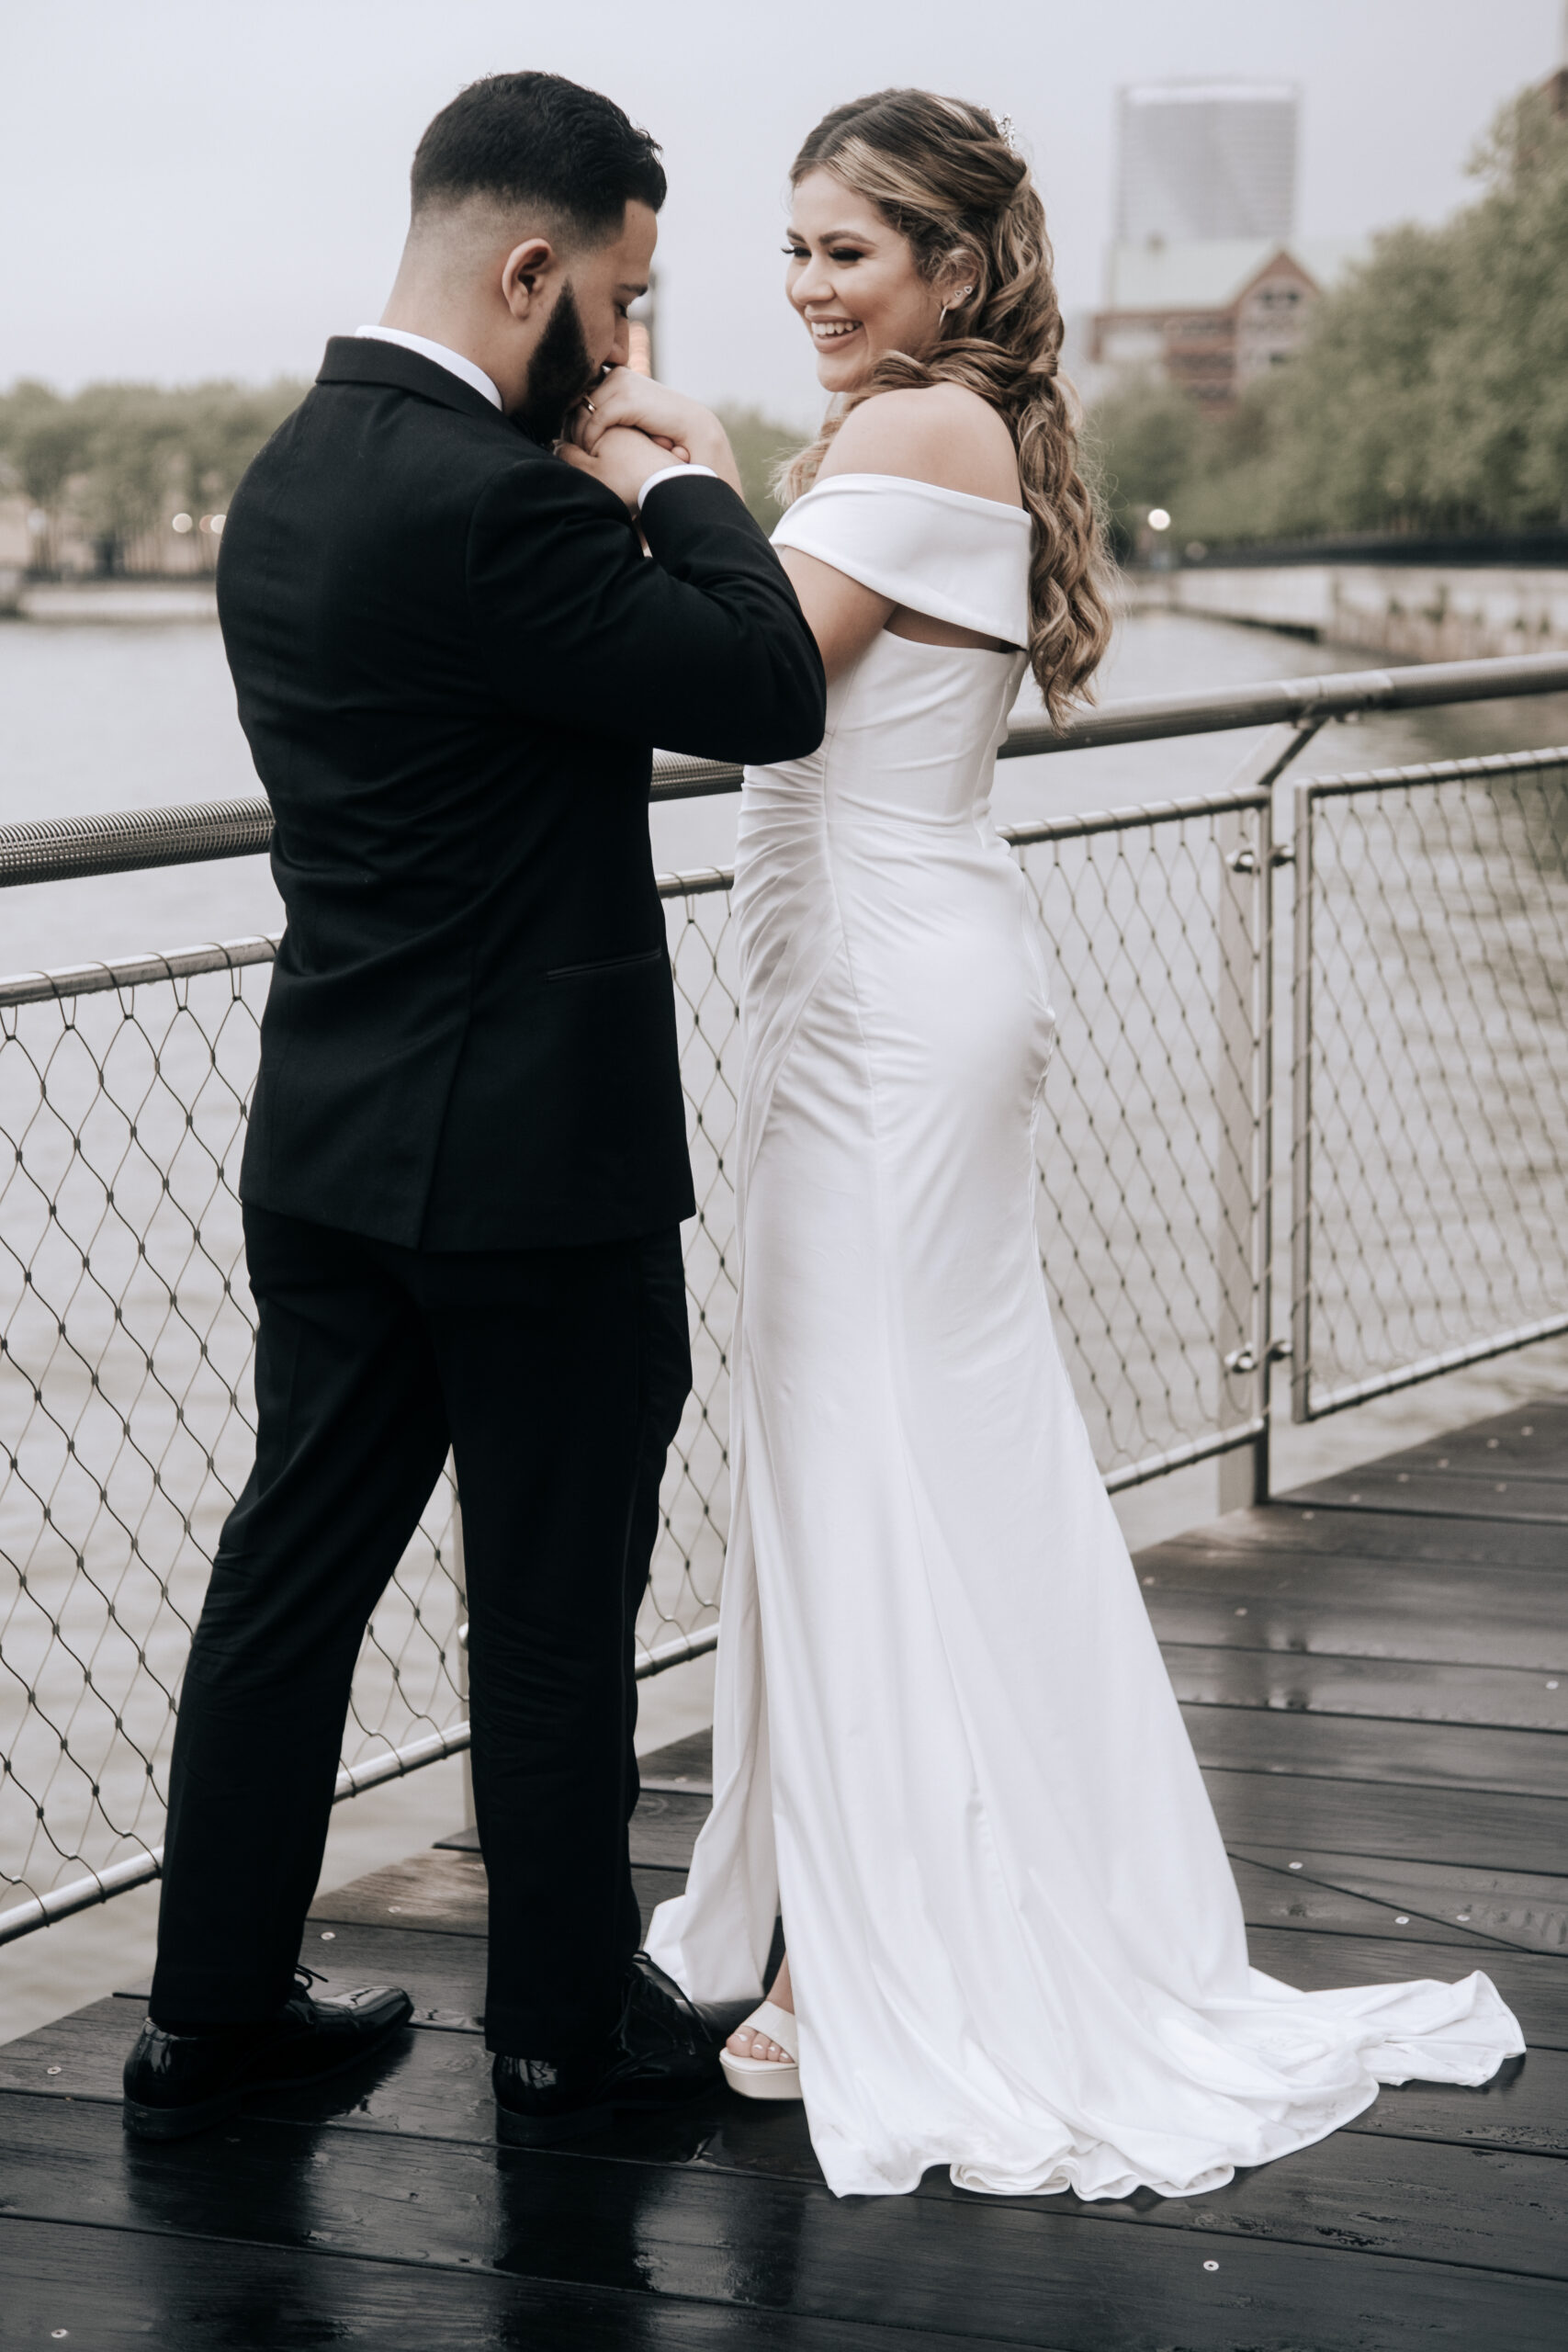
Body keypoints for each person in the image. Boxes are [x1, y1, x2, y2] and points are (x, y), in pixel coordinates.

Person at [574, 88, 1525, 2199]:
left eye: (847, 249)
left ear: (952, 264)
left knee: (867, 1440)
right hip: (884, 988)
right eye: (791, 247)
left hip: (886, 1012)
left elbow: (740, 680)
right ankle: (842, 1892)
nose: (807, 284)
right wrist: (684, 473)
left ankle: (853, 1950)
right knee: (893, 1436)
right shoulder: (927, 428)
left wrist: (671, 469)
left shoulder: (916, 434)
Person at [121, 71, 826, 2146]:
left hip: (331, 1138)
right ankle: (558, 2035)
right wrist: (688, 472)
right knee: (549, 1604)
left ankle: (208, 2017)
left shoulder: (290, 472)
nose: (626, 344)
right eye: (622, 300)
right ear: (533, 271)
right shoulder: (503, 505)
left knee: (289, 1577)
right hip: (533, 1167)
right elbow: (765, 685)